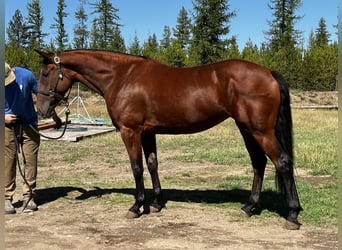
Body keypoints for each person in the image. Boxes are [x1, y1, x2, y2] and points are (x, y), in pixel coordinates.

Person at [4, 62, 40, 214]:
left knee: (30, 160)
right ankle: (6, 198)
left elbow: (42, 93)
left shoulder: (26, 75)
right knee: (8, 161)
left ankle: (29, 195)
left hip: (29, 124)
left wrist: (53, 113)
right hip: (6, 127)